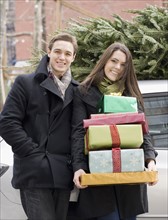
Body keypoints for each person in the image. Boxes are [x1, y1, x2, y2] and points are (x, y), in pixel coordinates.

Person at [71, 42, 158, 220]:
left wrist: (150, 160)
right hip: (98, 173)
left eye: (123, 64)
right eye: (114, 61)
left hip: (129, 175)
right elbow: (78, 133)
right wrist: (79, 167)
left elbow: (144, 132)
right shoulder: (84, 92)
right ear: (105, 61)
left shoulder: (131, 93)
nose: (117, 67)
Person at [0, 33, 79, 220]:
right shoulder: (25, 83)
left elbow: (79, 130)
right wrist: (32, 153)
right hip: (34, 172)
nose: (62, 57)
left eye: (68, 54)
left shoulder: (77, 90)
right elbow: (7, 122)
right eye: (58, 51)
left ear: (73, 57)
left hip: (62, 174)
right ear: (49, 52)